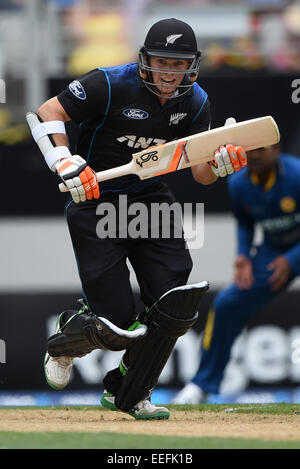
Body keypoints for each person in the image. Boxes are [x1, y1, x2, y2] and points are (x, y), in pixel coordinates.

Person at [28, 18, 247, 419]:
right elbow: (47, 112)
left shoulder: (196, 102)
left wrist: (220, 164)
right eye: (162, 62)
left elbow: (200, 173)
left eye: (178, 65)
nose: (169, 73)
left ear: (191, 66)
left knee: (174, 304)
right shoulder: (109, 84)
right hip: (96, 202)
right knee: (115, 324)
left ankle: (128, 392)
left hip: (150, 202)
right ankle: (65, 339)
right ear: (145, 59)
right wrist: (65, 162)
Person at [172, 144, 300, 404]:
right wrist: (243, 255)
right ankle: (202, 385)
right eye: (250, 149)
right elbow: (245, 221)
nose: (253, 155)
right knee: (228, 303)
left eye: (260, 150)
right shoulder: (239, 182)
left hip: (290, 253)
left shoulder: (297, 175)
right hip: (274, 251)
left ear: (276, 150)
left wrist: (293, 259)